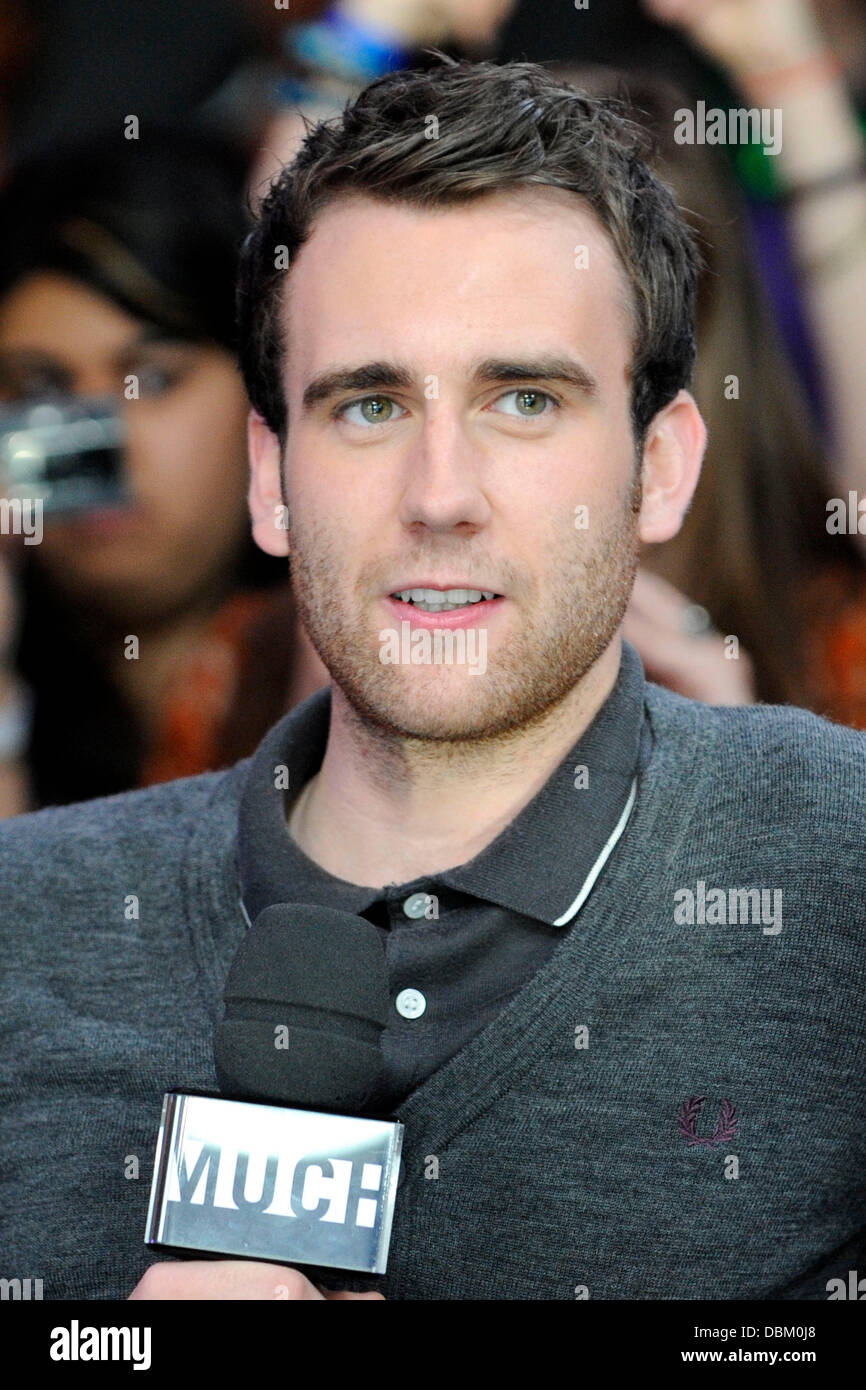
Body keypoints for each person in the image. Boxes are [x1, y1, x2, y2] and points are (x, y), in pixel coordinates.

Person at [1, 55, 864, 1301]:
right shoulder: (25, 922)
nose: (440, 495)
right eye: (368, 406)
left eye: (523, 399)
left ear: (660, 468)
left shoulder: (836, 866)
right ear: (270, 478)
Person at [0, 128, 328, 816]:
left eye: (151, 380)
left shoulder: (350, 680)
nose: (102, 443)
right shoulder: (20, 703)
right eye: (41, 390)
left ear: (266, 394)